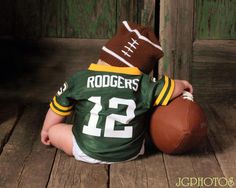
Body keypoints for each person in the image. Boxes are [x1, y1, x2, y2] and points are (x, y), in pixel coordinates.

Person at [41, 21, 193, 164]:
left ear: (104, 54)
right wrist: (183, 84)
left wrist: (47, 130)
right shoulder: (142, 83)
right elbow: (171, 88)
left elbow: (57, 109)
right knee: (147, 110)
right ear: (141, 70)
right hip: (130, 152)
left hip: (85, 150)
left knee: (56, 130)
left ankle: (56, 135)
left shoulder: (79, 79)